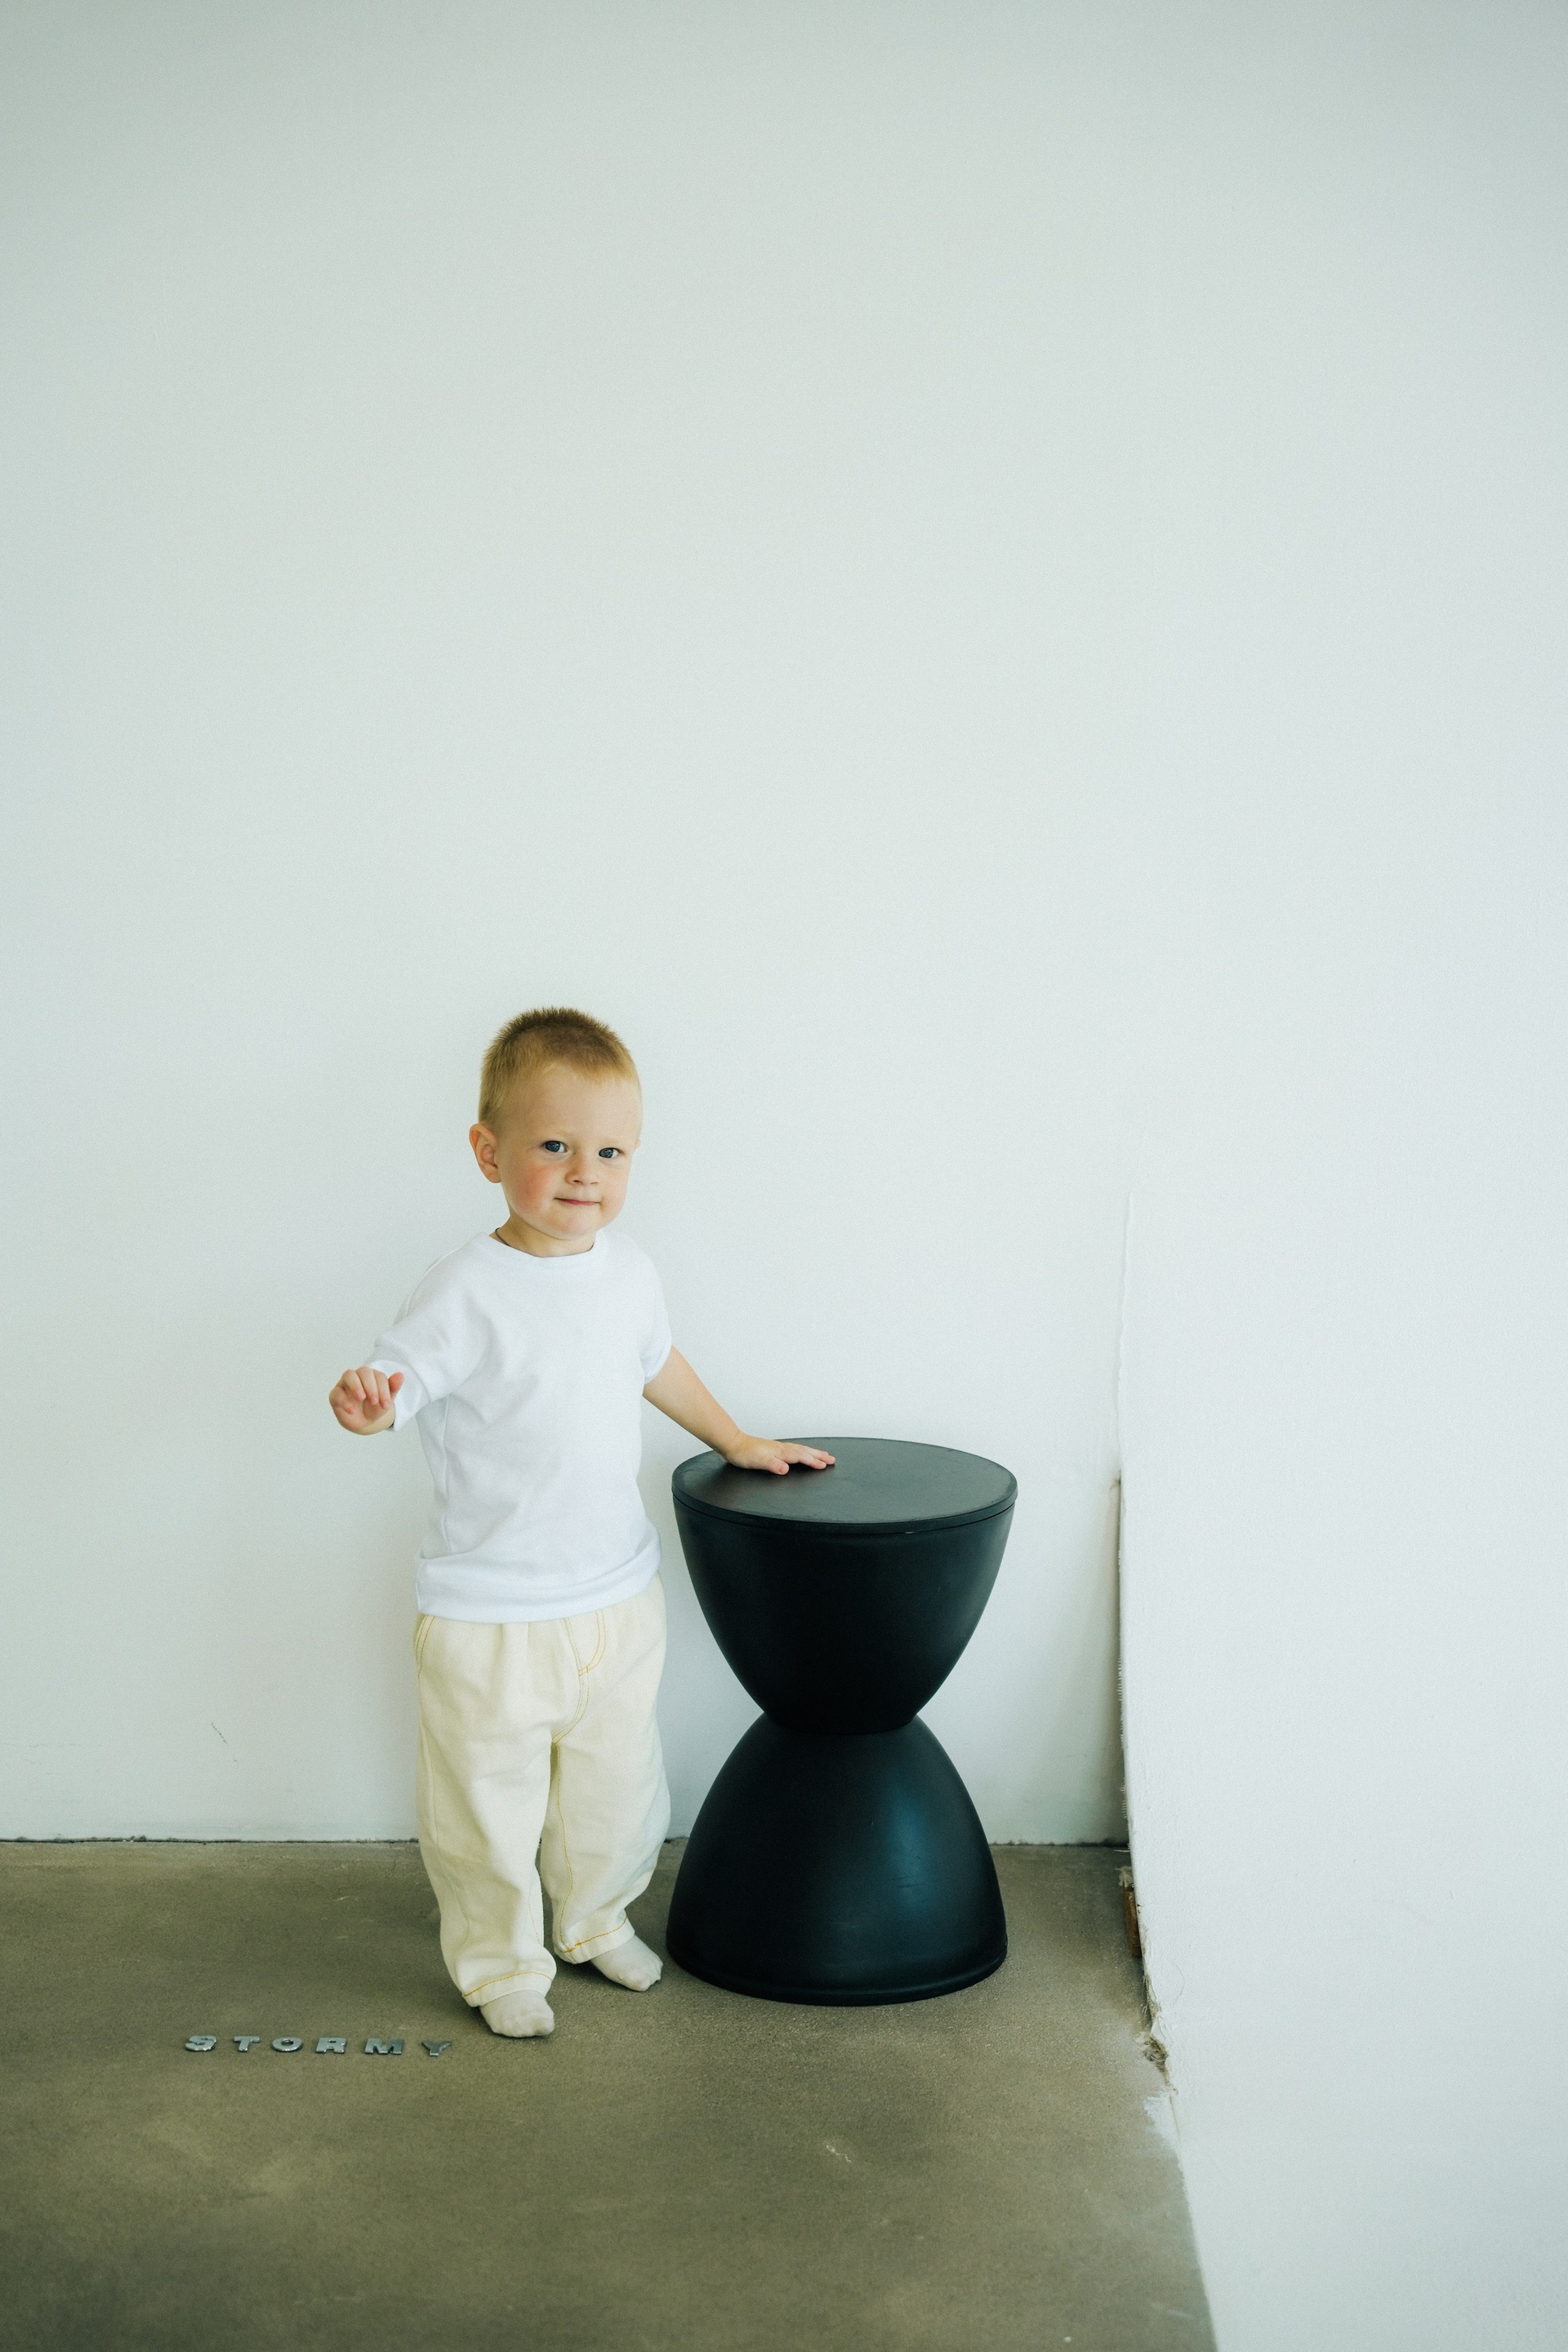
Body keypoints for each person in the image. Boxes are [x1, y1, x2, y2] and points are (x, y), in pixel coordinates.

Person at [328, 1007, 831, 2038]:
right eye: (554, 1145)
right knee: (486, 1808)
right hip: (490, 1617)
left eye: (610, 1152)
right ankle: (499, 1963)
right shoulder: (464, 1290)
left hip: (615, 1597)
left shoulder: (629, 1271)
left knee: (616, 1789)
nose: (583, 1173)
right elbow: (396, 1386)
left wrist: (735, 1438)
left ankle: (594, 1918)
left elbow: (657, 1362)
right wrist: (369, 1404)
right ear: (489, 1153)